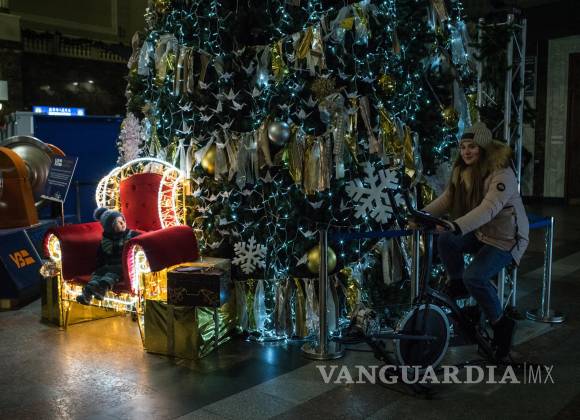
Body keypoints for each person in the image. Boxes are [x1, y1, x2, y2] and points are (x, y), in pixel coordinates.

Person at [417, 121, 529, 360]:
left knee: (475, 277)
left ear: (484, 148)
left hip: (506, 238)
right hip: (482, 232)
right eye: (463, 147)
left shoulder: (502, 173)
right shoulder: (464, 172)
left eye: (472, 146)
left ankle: (501, 324)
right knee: (446, 241)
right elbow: (447, 199)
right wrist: (420, 216)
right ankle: (458, 283)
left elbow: (489, 209)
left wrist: (456, 225)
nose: (466, 152)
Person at [76, 207, 140, 305]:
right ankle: (87, 294)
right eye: (118, 222)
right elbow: (101, 254)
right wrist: (100, 265)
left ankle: (102, 289)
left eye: (123, 220)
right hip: (108, 264)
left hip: (122, 266)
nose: (123, 223)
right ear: (110, 228)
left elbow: (142, 238)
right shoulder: (106, 240)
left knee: (111, 275)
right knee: (98, 274)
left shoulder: (130, 234)